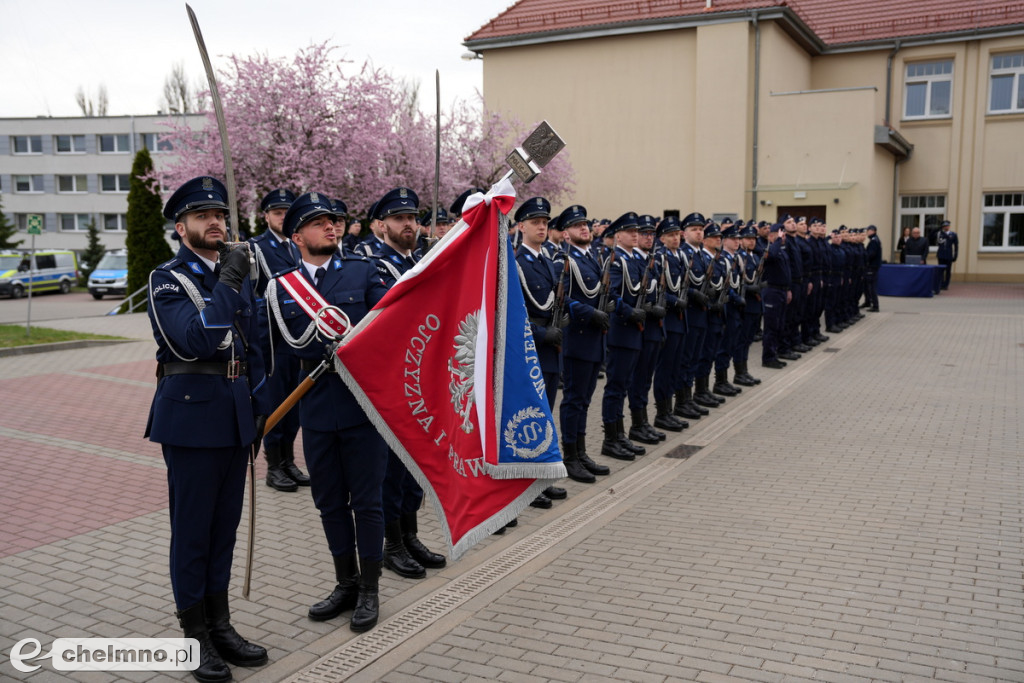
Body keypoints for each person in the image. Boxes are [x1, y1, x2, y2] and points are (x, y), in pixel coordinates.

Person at [146, 176, 269, 682]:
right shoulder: (168, 279)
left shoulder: (234, 273)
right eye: (202, 216)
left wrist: (259, 405)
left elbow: (255, 343)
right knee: (193, 534)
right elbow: (195, 341)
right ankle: (194, 636)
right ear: (182, 227)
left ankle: (220, 625)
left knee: (224, 532)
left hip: (234, 417)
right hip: (191, 419)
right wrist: (230, 284)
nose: (215, 221)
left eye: (219, 213)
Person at [267, 191, 390, 632]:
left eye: (335, 221)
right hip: (316, 411)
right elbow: (279, 355)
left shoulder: (363, 271)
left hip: (362, 406)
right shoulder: (281, 286)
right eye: (320, 223)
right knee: (329, 504)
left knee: (368, 502)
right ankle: (346, 583)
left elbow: (391, 319)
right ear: (297, 235)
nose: (332, 227)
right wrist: (260, 414)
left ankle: (371, 589)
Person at [364, 188, 448, 579]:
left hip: (422, 378)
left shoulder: (422, 260)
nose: (408, 224)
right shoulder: (373, 265)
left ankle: (411, 534)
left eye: (412, 217)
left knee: (415, 465)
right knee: (391, 470)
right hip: (393, 380)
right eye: (399, 219)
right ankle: (392, 544)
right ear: (381, 226)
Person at [249, 188, 310, 492]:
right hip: (271, 338)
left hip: (297, 336)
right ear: (266, 216)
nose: (282, 217)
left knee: (295, 401)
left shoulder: (297, 247)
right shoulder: (257, 247)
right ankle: (274, 465)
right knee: (276, 402)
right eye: (277, 213)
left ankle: (288, 460)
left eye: (287, 213)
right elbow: (251, 293)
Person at [513, 196, 570, 509]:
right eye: (535, 222)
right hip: (531, 350)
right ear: (521, 226)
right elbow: (514, 313)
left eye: (545, 222)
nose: (542, 227)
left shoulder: (548, 261)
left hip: (551, 350)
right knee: (530, 417)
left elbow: (555, 304)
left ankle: (541, 478)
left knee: (546, 415)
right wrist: (541, 333)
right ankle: (528, 483)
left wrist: (564, 318)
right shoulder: (516, 263)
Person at [557, 204, 612, 484]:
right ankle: (569, 456)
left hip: (594, 338)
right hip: (577, 338)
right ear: (566, 233)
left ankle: (581, 452)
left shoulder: (593, 256)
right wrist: (588, 312)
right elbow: (561, 297)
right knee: (574, 400)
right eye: (577, 225)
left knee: (586, 399)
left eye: (586, 224)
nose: (584, 229)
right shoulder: (564, 259)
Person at [599, 212, 648, 460]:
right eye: (630, 231)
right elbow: (612, 295)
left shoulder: (634, 261)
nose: (635, 234)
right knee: (616, 387)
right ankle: (610, 438)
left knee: (625, 385)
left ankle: (620, 435)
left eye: (636, 231)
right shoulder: (616, 261)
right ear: (618, 235)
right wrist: (631, 312)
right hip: (622, 331)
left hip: (634, 333)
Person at [626, 215, 667, 445]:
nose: (648, 238)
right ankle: (636, 425)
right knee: (638, 379)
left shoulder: (652, 260)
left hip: (653, 329)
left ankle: (643, 423)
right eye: (644, 233)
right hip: (641, 327)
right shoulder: (634, 261)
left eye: (651, 234)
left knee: (645, 379)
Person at [651, 215, 689, 432]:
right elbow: (660, 290)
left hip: (681, 320)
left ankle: (670, 410)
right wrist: (676, 301)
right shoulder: (660, 258)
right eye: (671, 235)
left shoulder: (680, 257)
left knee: (676, 366)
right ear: (662, 238)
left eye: (677, 234)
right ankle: (661, 412)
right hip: (670, 318)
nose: (676, 238)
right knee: (665, 369)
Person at [760, 223, 792, 369]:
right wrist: (778, 241)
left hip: (782, 291)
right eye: (781, 235)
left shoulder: (782, 250)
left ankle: (775, 354)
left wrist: (788, 289)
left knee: (780, 325)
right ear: (771, 235)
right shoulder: (768, 248)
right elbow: (770, 255)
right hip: (772, 292)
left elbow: (787, 272)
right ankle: (768, 358)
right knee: (771, 327)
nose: (783, 238)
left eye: (784, 235)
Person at [863, 224, 882, 311]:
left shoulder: (874, 241)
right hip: (873, 266)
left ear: (873, 231)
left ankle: (875, 306)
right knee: (868, 286)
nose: (867, 232)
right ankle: (868, 302)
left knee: (871, 287)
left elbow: (871, 254)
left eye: (868, 231)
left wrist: (864, 256)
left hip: (872, 266)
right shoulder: (874, 240)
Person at [936, 220, 958, 289]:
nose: (946, 227)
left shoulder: (953, 234)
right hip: (941, 255)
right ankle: (941, 284)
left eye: (947, 226)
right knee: (941, 270)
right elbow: (935, 239)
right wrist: (938, 229)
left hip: (949, 255)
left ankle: (946, 285)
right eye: (944, 226)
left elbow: (956, 246)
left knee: (948, 271)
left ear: (949, 226)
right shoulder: (940, 234)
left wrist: (955, 255)